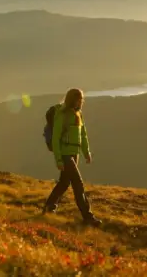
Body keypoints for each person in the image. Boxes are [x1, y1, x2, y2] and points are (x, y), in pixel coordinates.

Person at [42, 88, 102, 226]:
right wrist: (58, 159)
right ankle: (88, 217)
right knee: (78, 184)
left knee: (64, 183)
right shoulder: (62, 115)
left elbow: (83, 134)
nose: (80, 101)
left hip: (74, 154)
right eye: (78, 99)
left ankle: (49, 206)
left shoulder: (78, 114)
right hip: (64, 154)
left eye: (81, 99)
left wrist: (86, 152)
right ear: (71, 99)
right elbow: (56, 138)